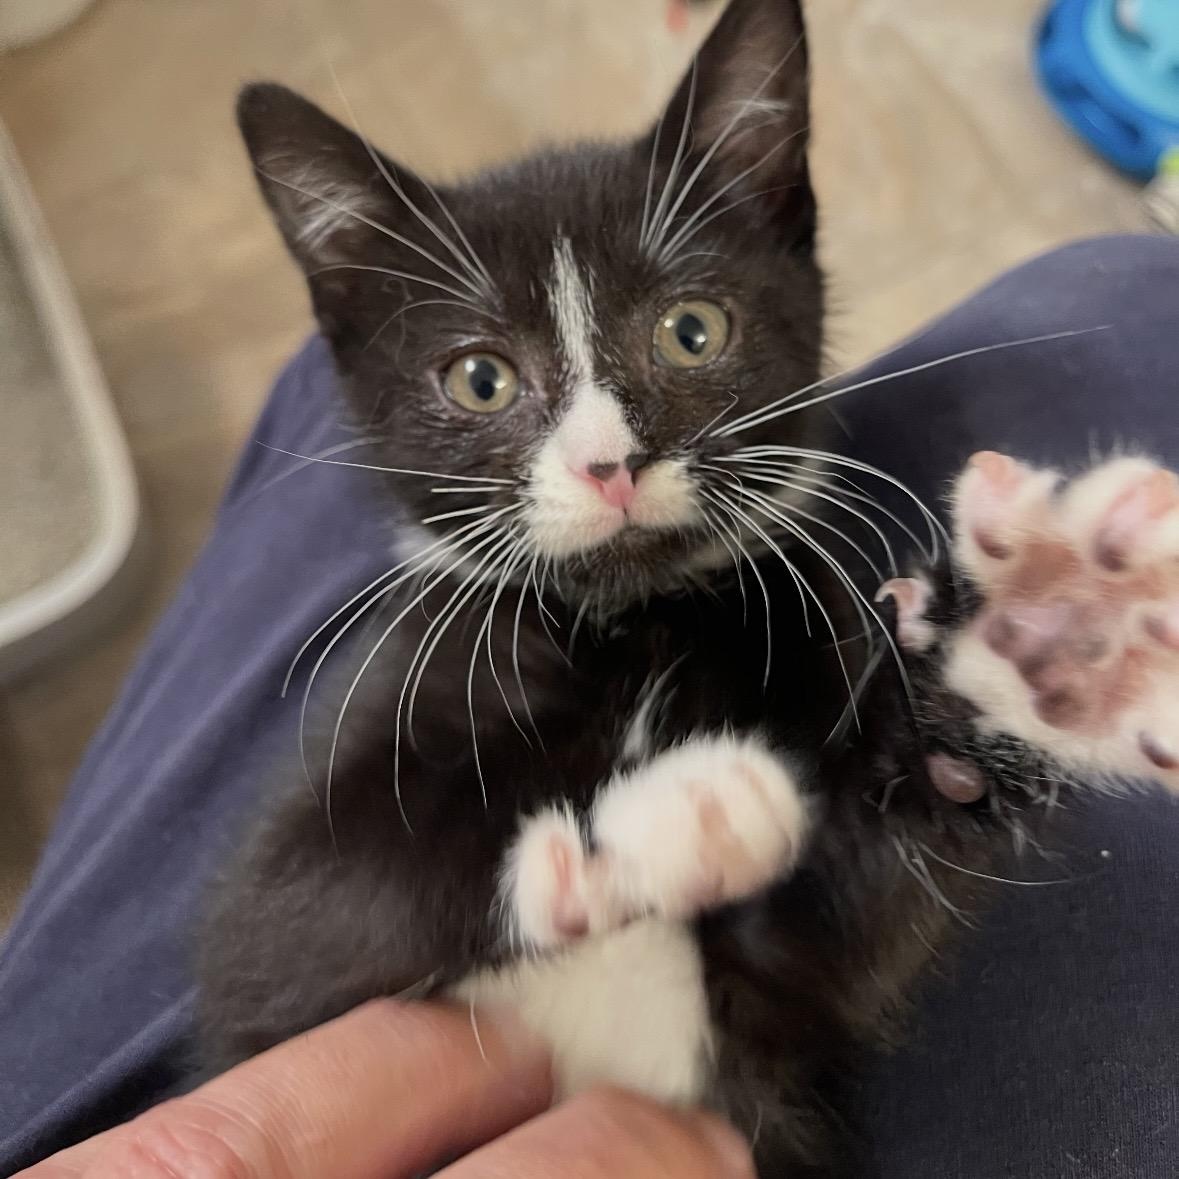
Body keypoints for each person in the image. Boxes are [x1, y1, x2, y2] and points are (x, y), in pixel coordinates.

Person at [2, 235, 1177, 1177]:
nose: (605, 451)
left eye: (686, 332)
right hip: (720, 1099)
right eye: (484, 381)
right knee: (1127, 294)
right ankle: (982, 713)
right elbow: (797, 990)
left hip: (603, 1039)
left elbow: (286, 934)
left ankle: (981, 705)